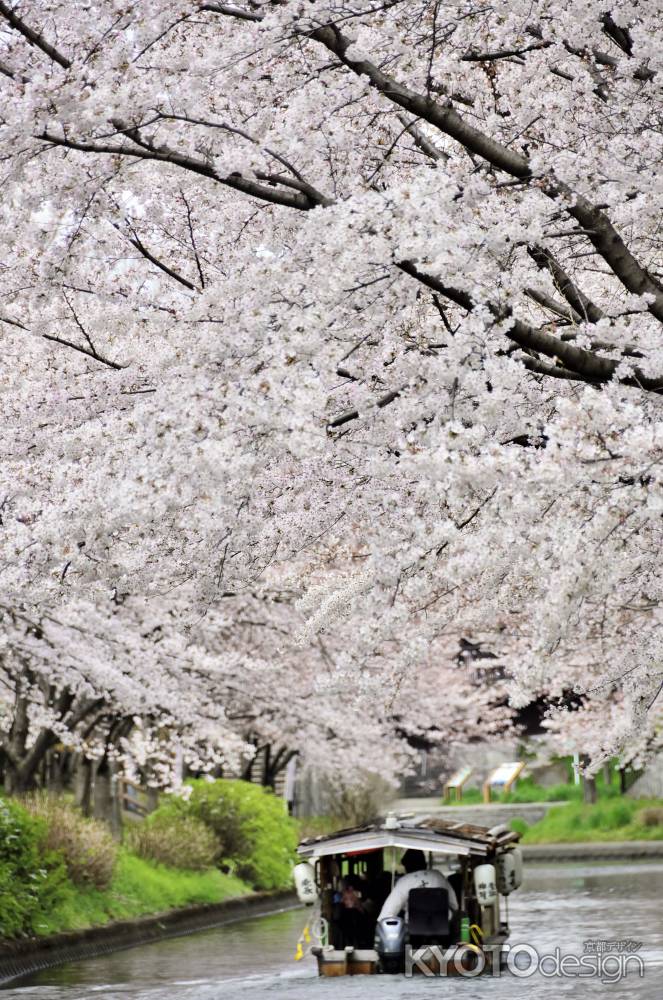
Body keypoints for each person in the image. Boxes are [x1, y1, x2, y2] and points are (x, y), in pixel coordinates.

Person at [377, 849, 458, 921]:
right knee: (461, 917)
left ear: (407, 866)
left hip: (413, 928)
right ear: (424, 864)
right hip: (443, 926)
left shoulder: (404, 881)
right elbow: (454, 904)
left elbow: (389, 910)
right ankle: (463, 938)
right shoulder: (438, 876)